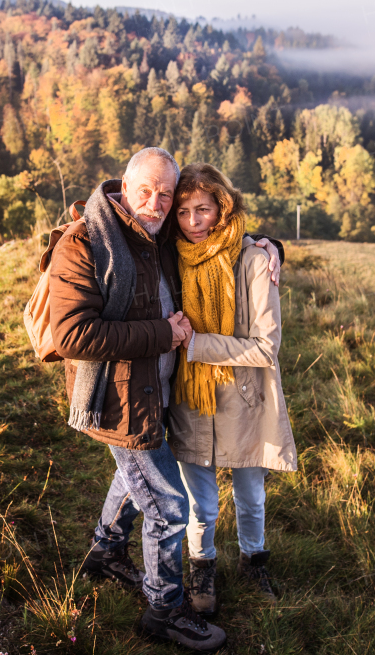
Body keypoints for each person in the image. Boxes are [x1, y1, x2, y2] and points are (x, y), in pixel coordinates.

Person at [47, 146, 226, 650]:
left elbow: (215, 233)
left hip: (156, 393)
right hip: (117, 400)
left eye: (165, 194)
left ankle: (105, 550)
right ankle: (164, 609)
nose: (155, 202)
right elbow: (74, 337)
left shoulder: (158, 233)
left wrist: (268, 246)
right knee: (169, 506)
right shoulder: (85, 243)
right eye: (145, 191)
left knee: (135, 477)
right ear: (124, 188)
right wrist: (162, 335)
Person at [167, 163, 297, 616]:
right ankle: (201, 568)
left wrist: (197, 343)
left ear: (223, 209)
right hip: (191, 397)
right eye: (182, 212)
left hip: (242, 397)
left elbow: (266, 347)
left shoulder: (255, 260)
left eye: (202, 209)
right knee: (199, 502)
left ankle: (253, 560)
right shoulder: (170, 255)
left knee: (251, 493)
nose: (192, 222)